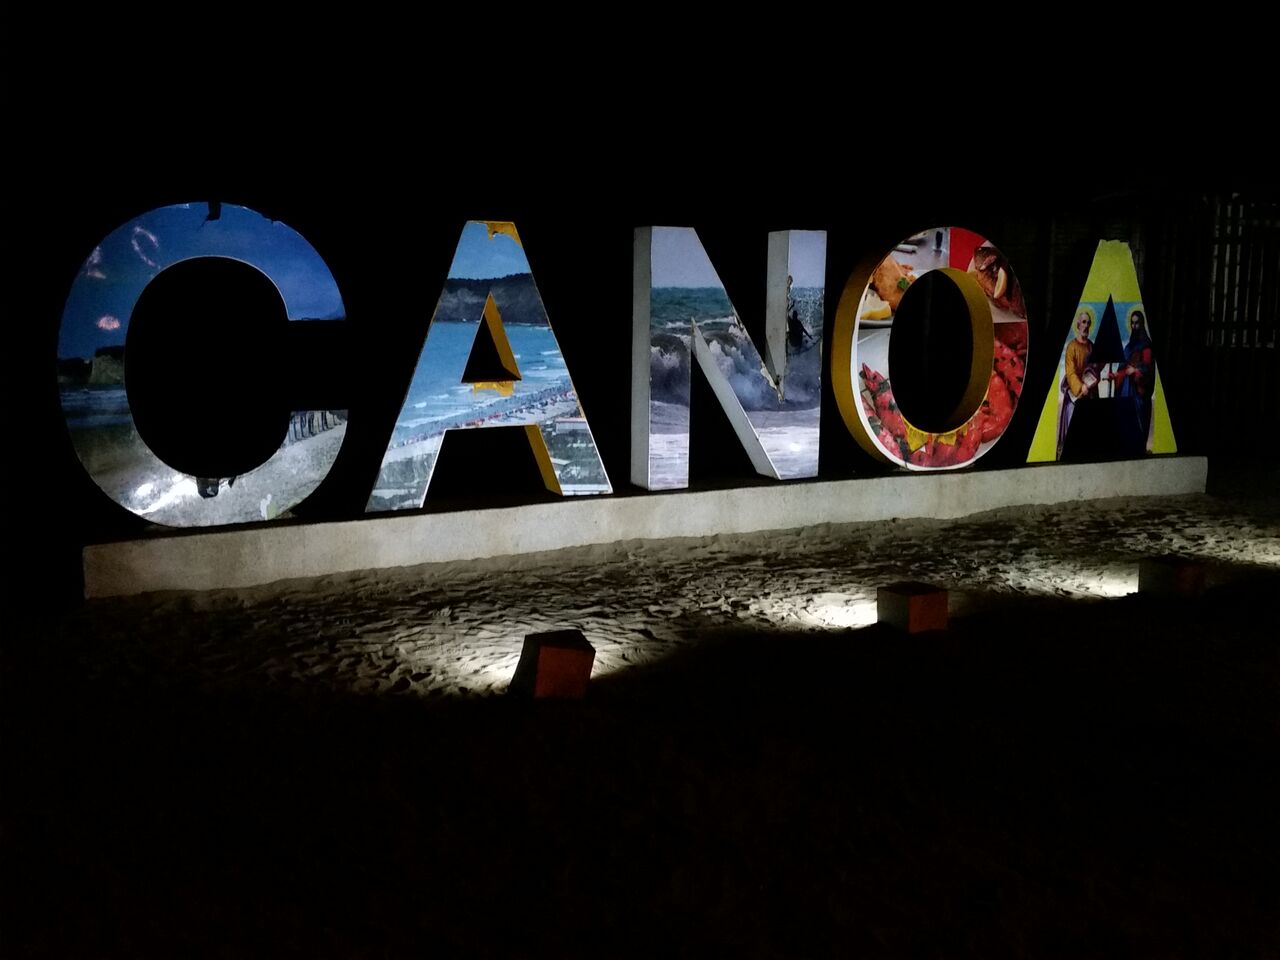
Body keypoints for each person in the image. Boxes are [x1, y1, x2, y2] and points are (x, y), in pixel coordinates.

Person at [1057, 310, 1099, 458]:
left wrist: (1091, 382)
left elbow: (1095, 368)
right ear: (1077, 325)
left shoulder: (1092, 347)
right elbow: (1070, 372)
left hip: (1090, 393)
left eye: (1088, 323)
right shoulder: (1071, 347)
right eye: (1083, 322)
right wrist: (1080, 387)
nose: (1086, 326)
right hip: (1075, 395)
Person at [1116, 308, 1154, 446]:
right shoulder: (1128, 346)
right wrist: (1116, 375)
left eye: (1137, 323)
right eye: (1132, 323)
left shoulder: (1146, 346)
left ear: (1142, 324)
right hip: (1126, 392)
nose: (1134, 326)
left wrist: (1136, 370)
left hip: (1138, 395)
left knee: (1138, 427)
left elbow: (1147, 369)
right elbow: (1122, 368)